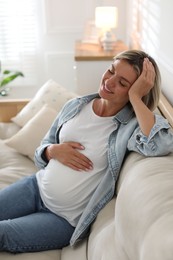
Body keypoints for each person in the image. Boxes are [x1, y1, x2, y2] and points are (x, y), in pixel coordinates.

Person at [0, 50, 173, 253]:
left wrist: (136, 97)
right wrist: (52, 151)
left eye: (123, 83)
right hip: (34, 188)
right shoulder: (76, 105)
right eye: (111, 71)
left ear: (137, 91)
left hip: (63, 219)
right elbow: (43, 147)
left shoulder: (129, 128)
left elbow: (160, 144)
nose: (109, 82)